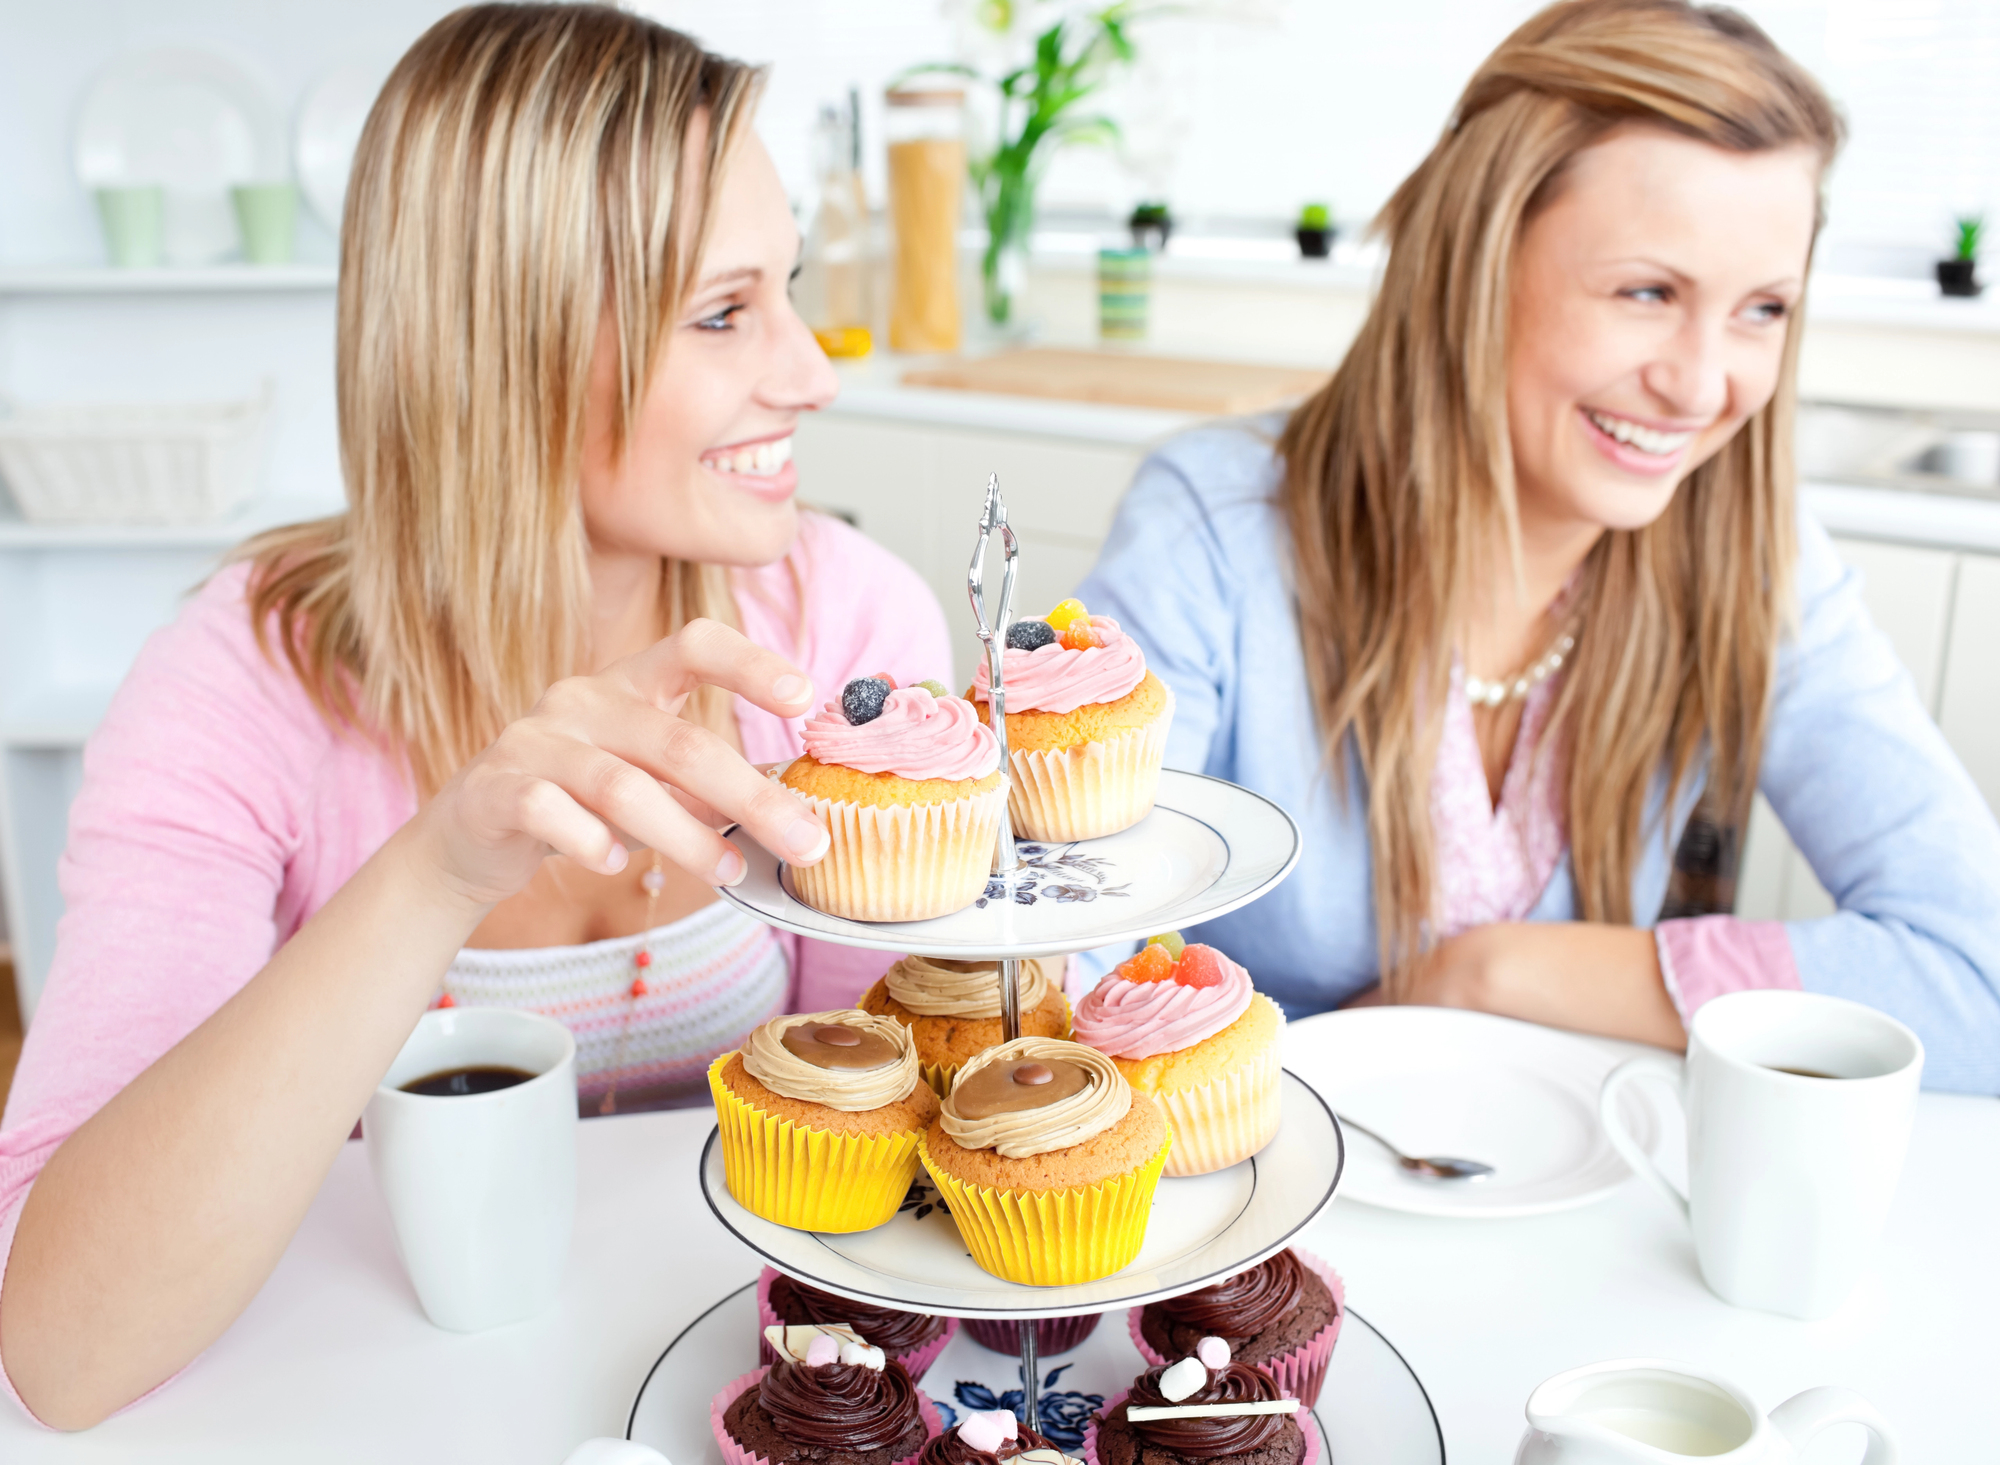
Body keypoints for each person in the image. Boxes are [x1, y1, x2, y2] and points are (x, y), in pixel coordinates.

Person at [0, 5, 954, 1428]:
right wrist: (438, 868)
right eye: (721, 311)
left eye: (790, 289)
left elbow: (896, 1160)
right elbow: (64, 1344)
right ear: (501, 339)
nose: (812, 371)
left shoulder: (843, 633)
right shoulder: (243, 679)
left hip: (728, 1377)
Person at [1078, 0, 2000, 1091]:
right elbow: (1056, 972)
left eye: (1761, 309)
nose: (1703, 387)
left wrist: (1489, 972)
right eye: (1646, 292)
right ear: (1473, 265)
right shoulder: (1215, 530)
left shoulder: (1753, 555)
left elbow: (1975, 979)